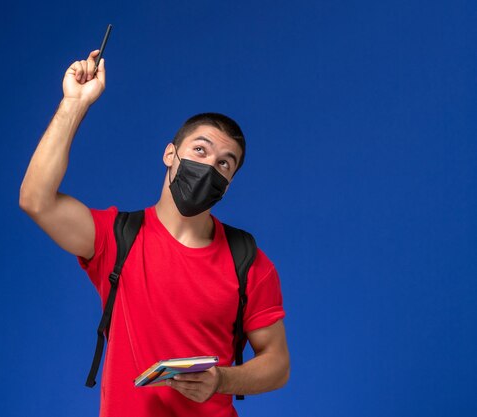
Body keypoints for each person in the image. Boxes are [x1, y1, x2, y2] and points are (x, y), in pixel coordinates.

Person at [19, 50, 290, 417]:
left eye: (224, 164)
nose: (209, 166)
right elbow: (36, 199)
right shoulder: (117, 237)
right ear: (170, 154)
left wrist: (221, 380)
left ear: (227, 184)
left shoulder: (249, 261)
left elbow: (278, 364)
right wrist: (74, 102)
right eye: (200, 150)